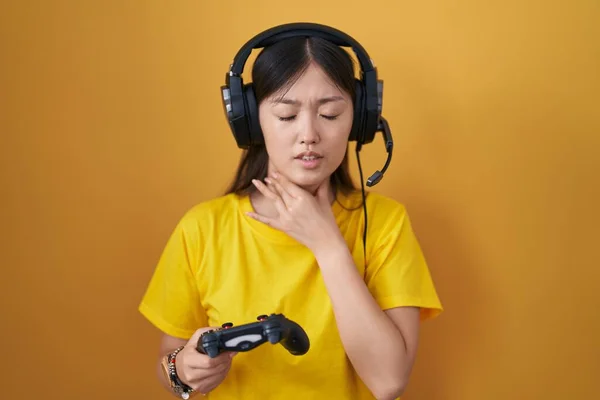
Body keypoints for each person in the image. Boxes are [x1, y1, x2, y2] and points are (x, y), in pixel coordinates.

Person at [139, 23, 443, 400]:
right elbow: (167, 363)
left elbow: (388, 381)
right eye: (286, 116)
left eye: (330, 114)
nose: (309, 134)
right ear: (250, 122)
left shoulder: (385, 224)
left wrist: (328, 245)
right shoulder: (203, 228)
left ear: (359, 120)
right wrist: (183, 369)